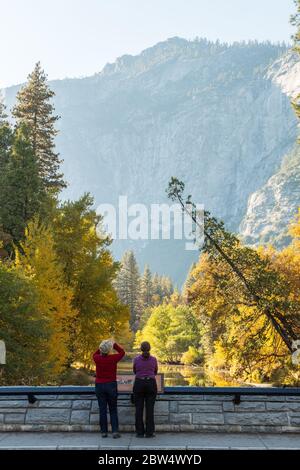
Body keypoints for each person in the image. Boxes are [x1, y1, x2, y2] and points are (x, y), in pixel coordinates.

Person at [93, 339, 125, 438]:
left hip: (99, 386)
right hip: (111, 385)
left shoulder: (96, 358)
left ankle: (104, 432)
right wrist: (113, 344)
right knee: (113, 409)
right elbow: (122, 352)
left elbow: (96, 352)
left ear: (101, 349)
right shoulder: (113, 358)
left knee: (102, 409)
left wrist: (103, 345)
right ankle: (115, 431)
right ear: (109, 350)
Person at [133, 341, 158, 438]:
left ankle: (139, 432)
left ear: (141, 349)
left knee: (138, 409)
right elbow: (155, 371)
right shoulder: (154, 359)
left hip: (139, 383)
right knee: (150, 409)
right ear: (150, 348)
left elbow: (134, 371)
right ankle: (149, 432)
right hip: (151, 384)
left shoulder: (136, 359)